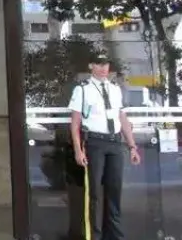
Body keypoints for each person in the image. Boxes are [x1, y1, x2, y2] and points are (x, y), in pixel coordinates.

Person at [69, 53, 140, 240]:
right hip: (95, 143)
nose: (103, 68)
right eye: (99, 64)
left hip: (115, 143)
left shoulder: (115, 89)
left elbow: (122, 118)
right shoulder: (82, 90)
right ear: (91, 65)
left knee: (114, 191)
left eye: (106, 64)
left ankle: (114, 236)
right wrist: (78, 150)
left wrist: (132, 146)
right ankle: (95, 235)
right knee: (94, 194)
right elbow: (75, 123)